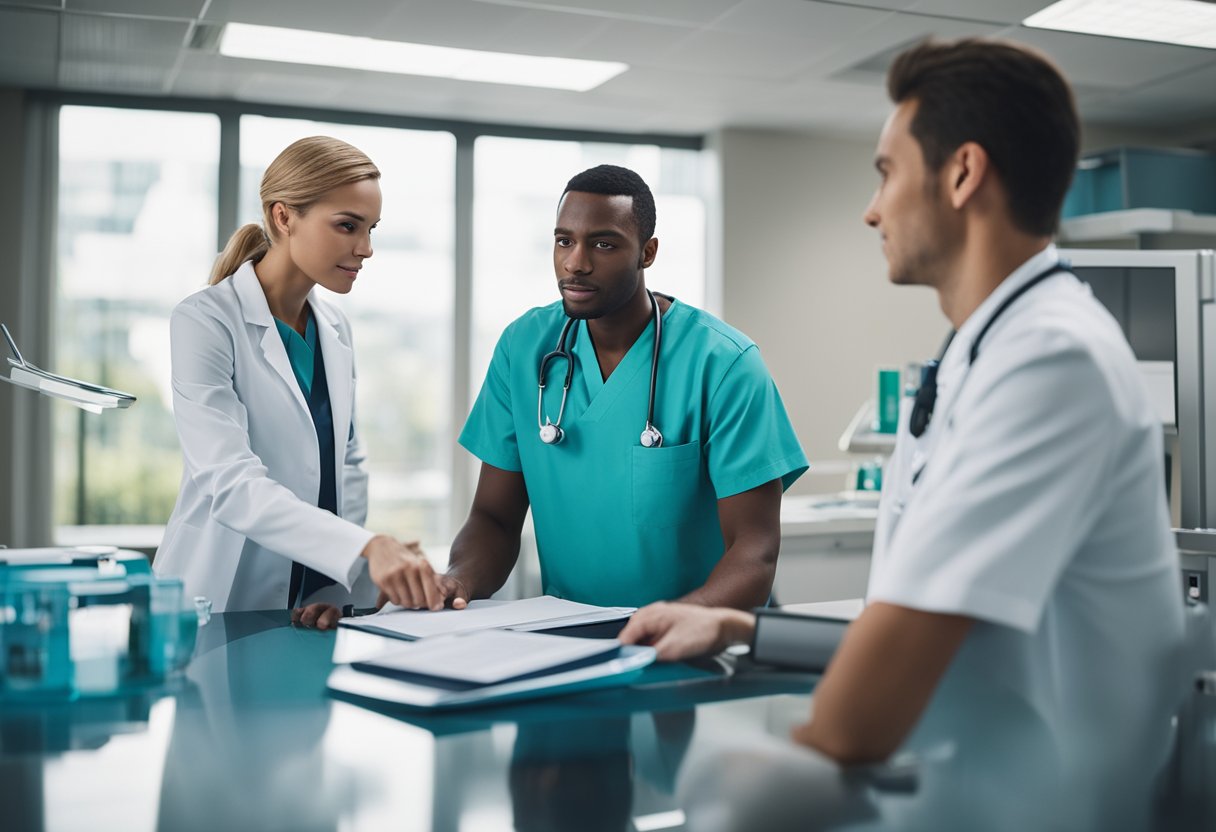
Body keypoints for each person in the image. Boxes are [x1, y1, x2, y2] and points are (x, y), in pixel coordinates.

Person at [620, 38, 1186, 822]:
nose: (872, 208)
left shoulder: (1053, 360)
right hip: (967, 783)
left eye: (887, 172)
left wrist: (768, 786)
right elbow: (917, 616)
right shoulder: (985, 353)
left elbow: (884, 684)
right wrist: (742, 627)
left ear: (961, 173)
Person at [393, 164, 807, 611]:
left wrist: (679, 623)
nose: (576, 262)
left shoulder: (724, 364)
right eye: (564, 241)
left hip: (695, 638)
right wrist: (457, 580)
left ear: (646, 253)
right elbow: (494, 518)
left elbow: (754, 550)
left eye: (603, 244)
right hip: (566, 636)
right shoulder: (524, 347)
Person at [154, 136, 440, 628]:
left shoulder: (335, 328)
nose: (366, 248)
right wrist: (365, 547)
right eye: (348, 226)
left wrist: (335, 583)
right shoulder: (205, 320)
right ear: (284, 217)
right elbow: (229, 482)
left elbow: (346, 466)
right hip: (217, 600)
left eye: (371, 229)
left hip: (308, 610)